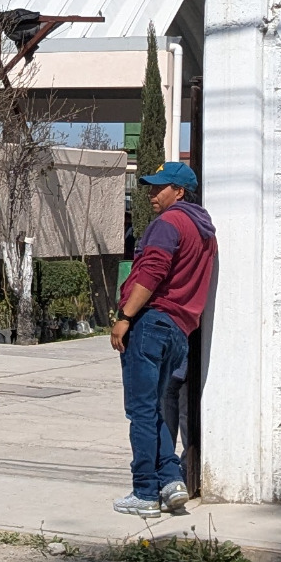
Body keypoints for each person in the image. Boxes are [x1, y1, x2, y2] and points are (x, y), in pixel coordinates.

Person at [109, 160, 217, 517]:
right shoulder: (205, 231)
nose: (152, 194)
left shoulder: (169, 223)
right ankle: (171, 481)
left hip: (152, 323)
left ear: (179, 192)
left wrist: (124, 318)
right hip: (180, 331)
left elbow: (153, 271)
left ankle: (144, 492)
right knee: (153, 407)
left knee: (140, 410)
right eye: (152, 187)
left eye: (160, 187)